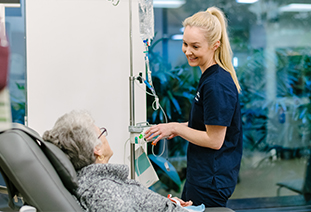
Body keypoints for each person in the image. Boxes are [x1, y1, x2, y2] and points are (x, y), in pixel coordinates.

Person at [145, 6, 243, 207]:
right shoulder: (209, 77)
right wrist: (180, 127)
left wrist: (176, 128)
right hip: (202, 174)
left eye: (195, 47)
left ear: (215, 45)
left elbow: (215, 140)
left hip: (211, 181)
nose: (187, 51)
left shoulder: (217, 84)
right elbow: (210, 122)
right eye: (185, 44)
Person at [42, 110, 192, 212]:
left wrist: (167, 204)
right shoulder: (103, 192)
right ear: (97, 149)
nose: (105, 136)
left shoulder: (101, 183)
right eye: (102, 132)